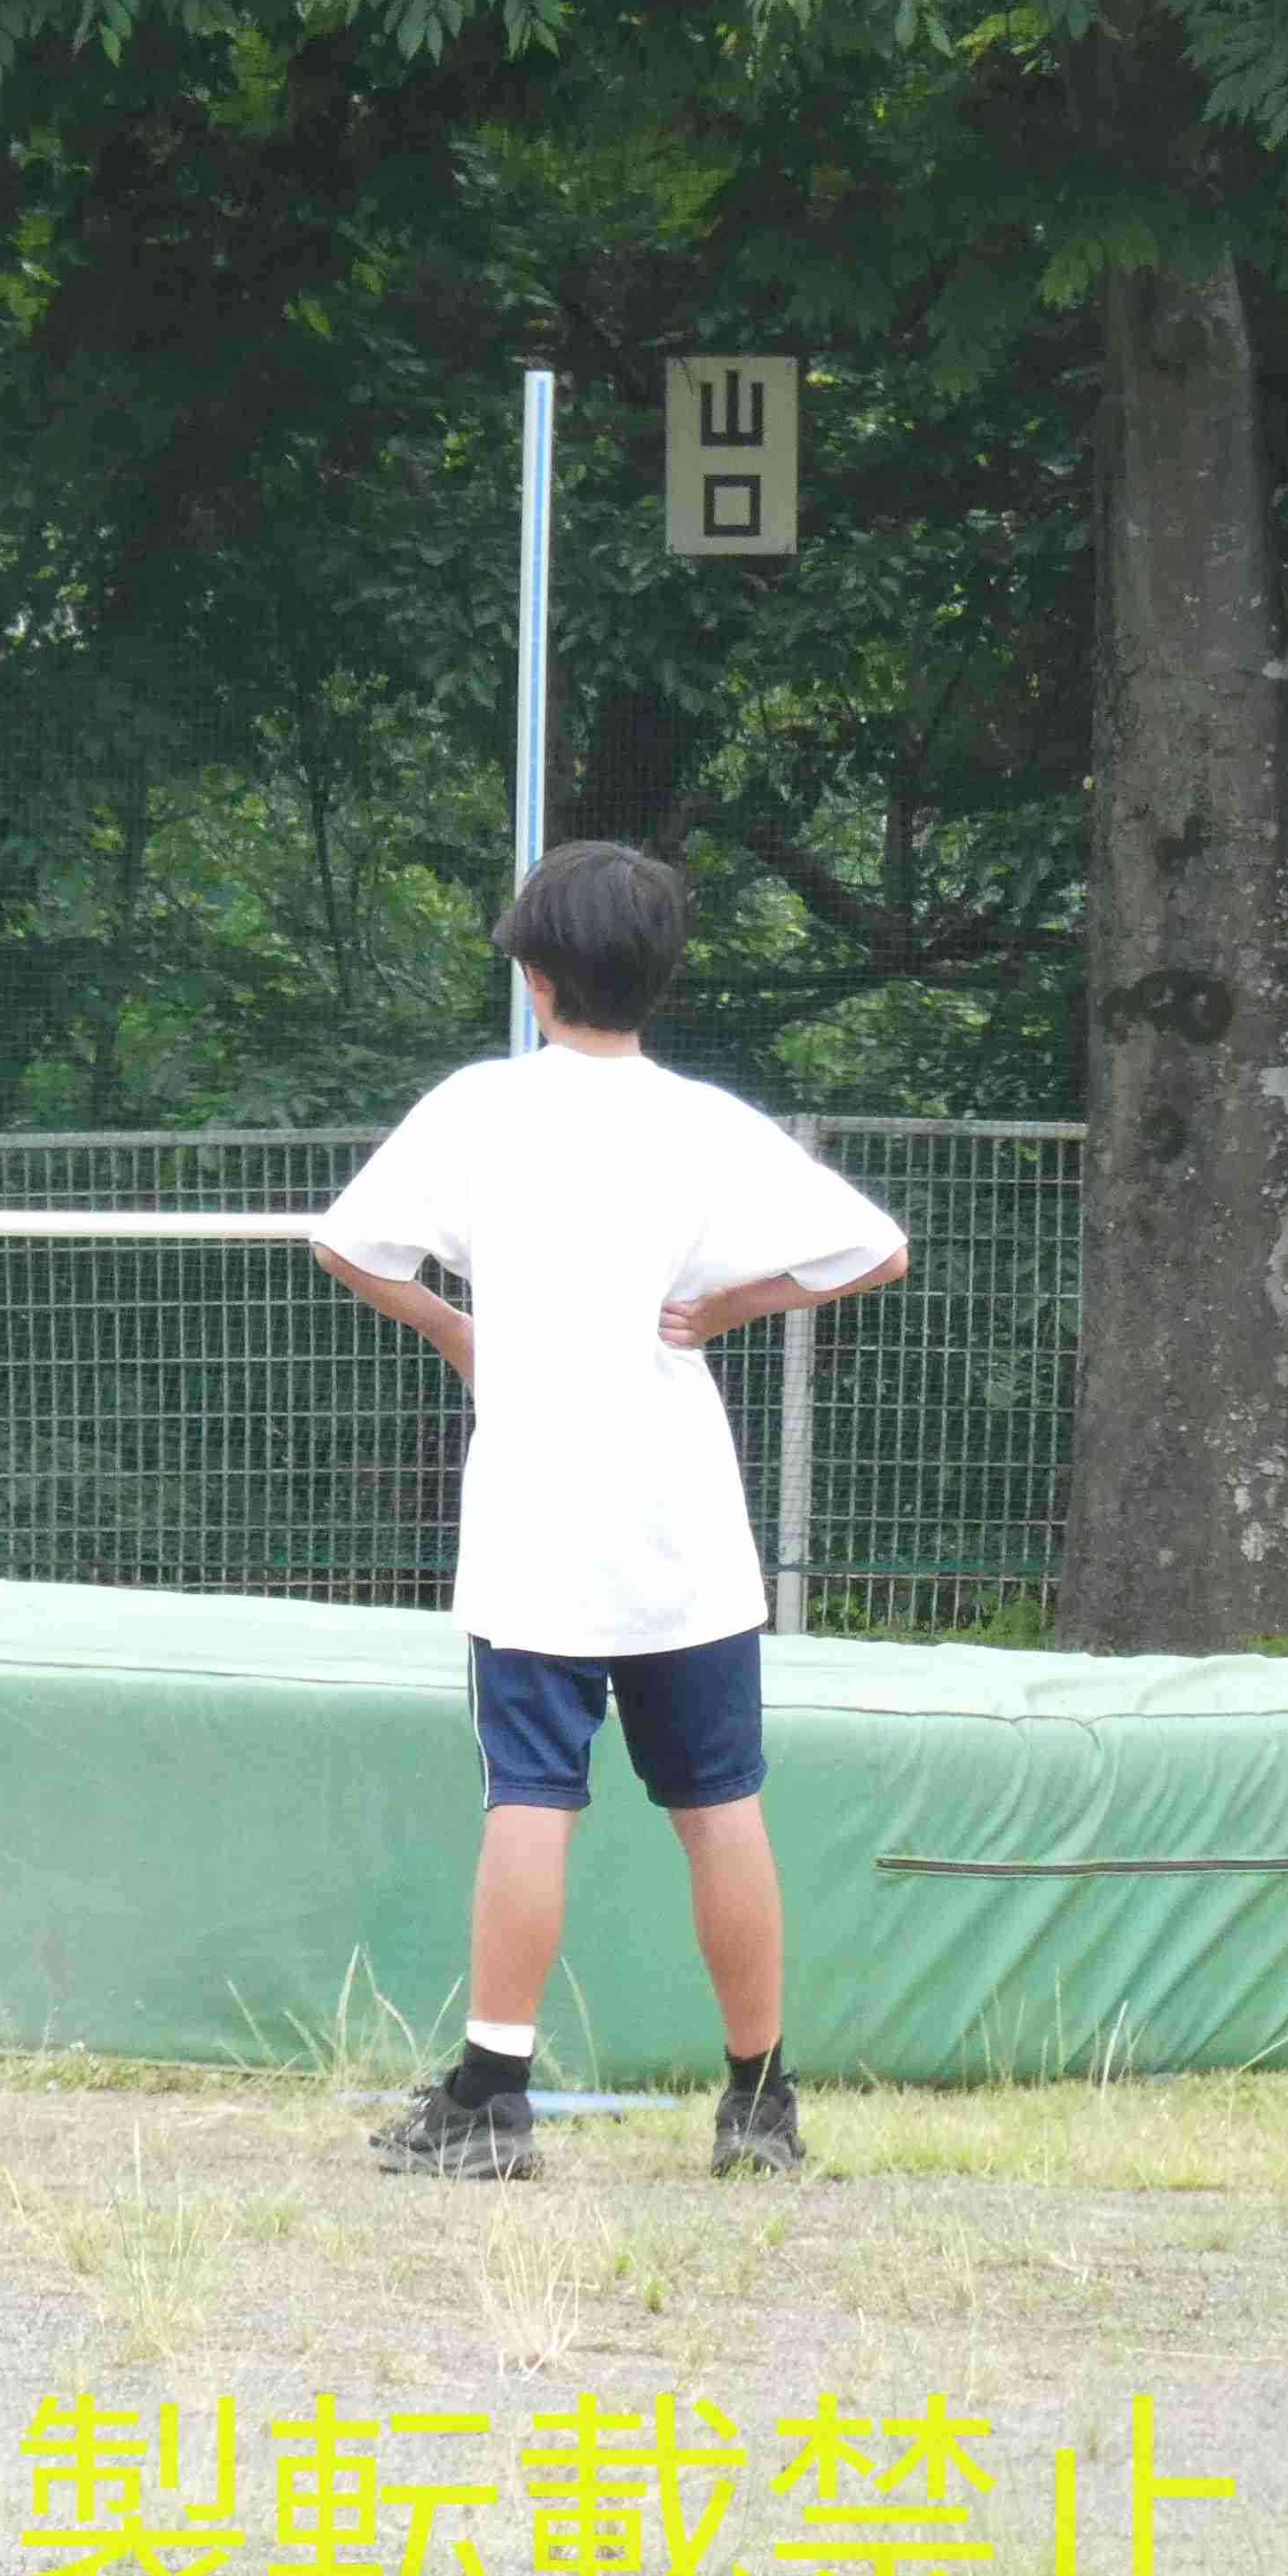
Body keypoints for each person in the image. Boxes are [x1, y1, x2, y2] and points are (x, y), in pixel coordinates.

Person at [310, 840, 909, 2180]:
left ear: (534, 977)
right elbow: (878, 1249)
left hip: (536, 1521)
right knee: (722, 1804)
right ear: (661, 978)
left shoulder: (479, 1108)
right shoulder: (704, 1121)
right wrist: (734, 1306)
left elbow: (347, 1245)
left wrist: (458, 1332)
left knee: (531, 1797)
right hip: (684, 1526)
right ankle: (759, 2106)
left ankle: (491, 2099)